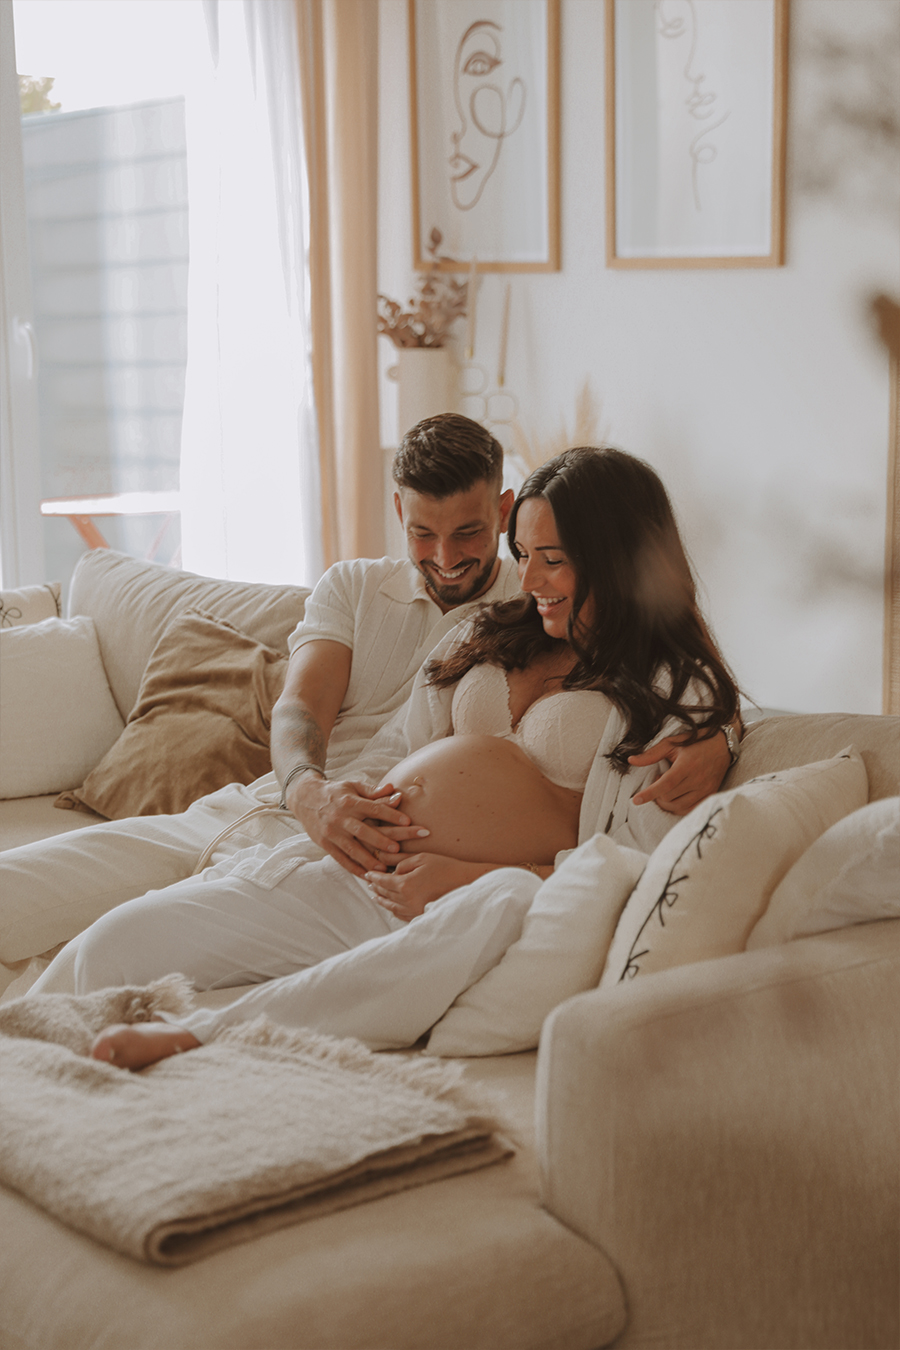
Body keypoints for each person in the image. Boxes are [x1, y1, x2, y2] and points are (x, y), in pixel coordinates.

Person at [8, 414, 729, 998]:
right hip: (298, 821)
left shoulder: (639, 666)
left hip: (437, 896)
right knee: (99, 938)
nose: (450, 557)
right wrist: (319, 799)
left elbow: (636, 853)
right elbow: (369, 735)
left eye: (478, 535)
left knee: (133, 955)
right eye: (423, 533)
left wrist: (724, 730)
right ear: (398, 516)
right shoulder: (469, 620)